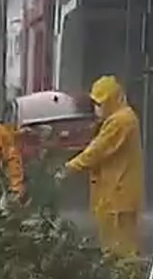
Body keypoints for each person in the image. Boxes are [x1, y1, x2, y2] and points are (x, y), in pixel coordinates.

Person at [57, 74, 144, 259]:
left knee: (122, 252)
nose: (96, 108)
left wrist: (69, 168)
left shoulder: (122, 121)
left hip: (119, 197)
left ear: (111, 100)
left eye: (100, 103)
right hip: (113, 195)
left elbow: (97, 151)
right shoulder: (116, 119)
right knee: (112, 250)